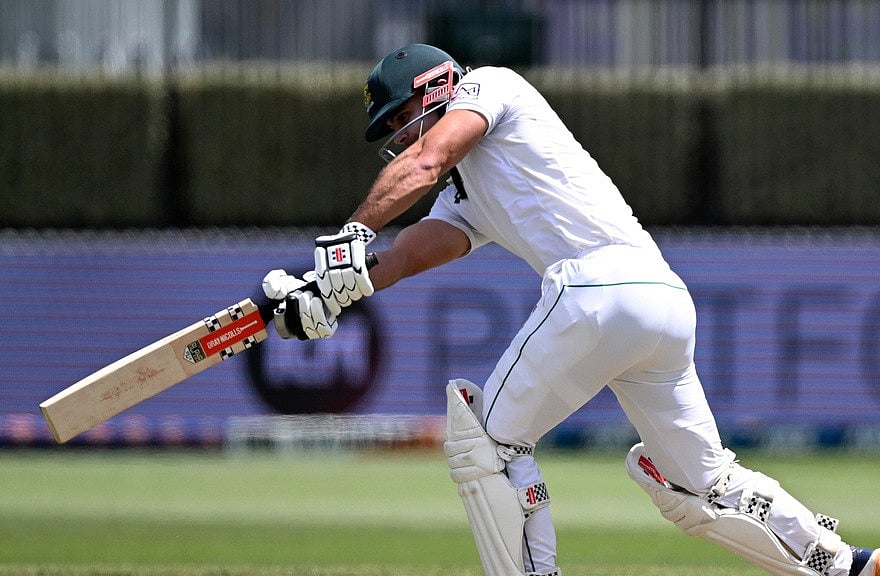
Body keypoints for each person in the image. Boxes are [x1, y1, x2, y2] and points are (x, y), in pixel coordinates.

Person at [260, 43, 878, 576]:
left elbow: (426, 163)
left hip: (598, 289)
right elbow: (405, 256)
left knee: (483, 441)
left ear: (438, 87)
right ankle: (847, 563)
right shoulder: (470, 189)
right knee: (698, 484)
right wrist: (331, 291)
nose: (401, 136)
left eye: (403, 117)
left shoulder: (489, 86)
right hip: (660, 301)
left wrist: (350, 230)